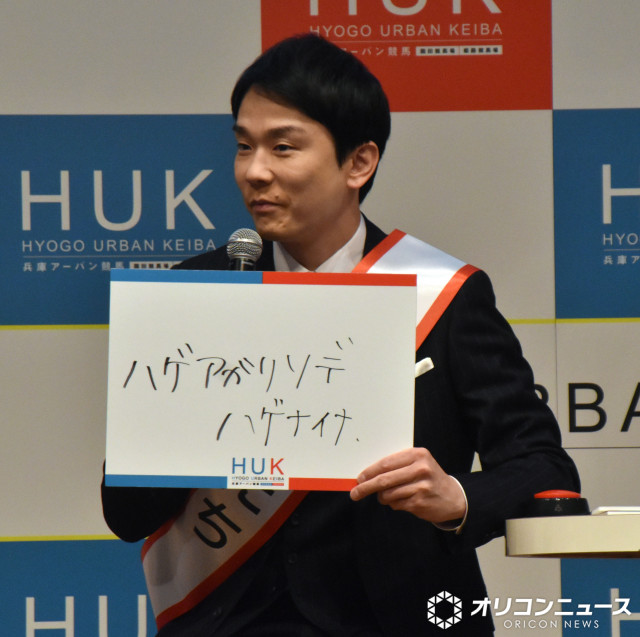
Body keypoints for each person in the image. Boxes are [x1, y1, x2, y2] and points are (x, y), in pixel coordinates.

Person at [102, 33, 580, 636]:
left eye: (283, 147)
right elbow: (124, 513)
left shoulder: (443, 295)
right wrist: (188, 415)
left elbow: (543, 466)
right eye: (244, 146)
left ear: (359, 163)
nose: (254, 171)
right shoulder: (193, 293)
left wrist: (456, 497)